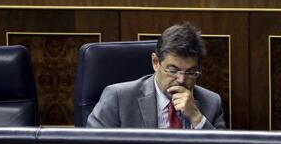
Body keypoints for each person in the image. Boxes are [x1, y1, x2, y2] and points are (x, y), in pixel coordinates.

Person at [86, 23, 226, 129]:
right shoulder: (118, 98)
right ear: (155, 62)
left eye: (190, 72)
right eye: (173, 70)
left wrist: (196, 117)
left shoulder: (211, 102)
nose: (181, 80)